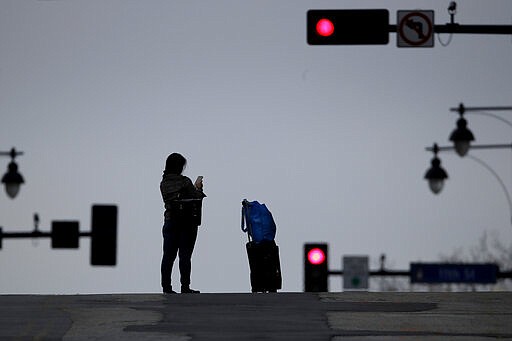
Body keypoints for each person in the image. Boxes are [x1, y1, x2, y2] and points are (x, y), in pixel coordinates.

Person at [160, 153, 206, 294]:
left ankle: (166, 287)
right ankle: (185, 286)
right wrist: (198, 188)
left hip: (170, 221)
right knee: (185, 256)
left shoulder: (164, 183)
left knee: (168, 256)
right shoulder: (185, 182)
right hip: (187, 223)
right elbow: (196, 198)